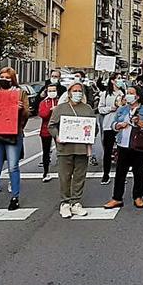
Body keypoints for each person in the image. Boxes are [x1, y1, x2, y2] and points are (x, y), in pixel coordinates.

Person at [0, 68, 31, 212]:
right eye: (2, 77)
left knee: (13, 166)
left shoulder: (20, 93)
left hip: (13, 133)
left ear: (13, 79)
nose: (4, 79)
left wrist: (20, 109)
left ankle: (14, 198)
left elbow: (28, 113)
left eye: (7, 77)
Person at [49, 83, 94, 218]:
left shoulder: (87, 109)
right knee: (65, 176)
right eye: (75, 91)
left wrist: (90, 132)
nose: (77, 93)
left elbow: (94, 127)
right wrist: (57, 135)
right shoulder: (60, 108)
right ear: (69, 93)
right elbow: (51, 125)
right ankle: (65, 203)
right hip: (65, 148)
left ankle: (76, 202)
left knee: (79, 176)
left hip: (81, 148)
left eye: (80, 91)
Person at [104, 86, 143, 209]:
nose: (128, 95)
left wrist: (140, 123)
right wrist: (118, 125)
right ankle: (117, 198)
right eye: (127, 93)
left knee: (139, 172)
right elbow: (113, 125)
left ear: (137, 96)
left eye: (131, 93)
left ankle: (137, 196)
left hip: (140, 146)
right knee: (120, 172)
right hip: (123, 145)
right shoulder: (122, 109)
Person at [97, 74, 126, 185]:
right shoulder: (105, 94)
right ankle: (106, 174)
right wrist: (110, 108)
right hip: (108, 125)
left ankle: (122, 174)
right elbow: (100, 109)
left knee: (122, 151)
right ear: (112, 81)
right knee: (108, 151)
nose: (120, 80)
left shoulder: (124, 94)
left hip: (121, 125)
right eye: (118, 78)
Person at [38, 83, 62, 182]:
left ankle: (63, 171)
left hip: (59, 128)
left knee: (61, 150)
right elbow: (42, 114)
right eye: (50, 90)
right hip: (46, 129)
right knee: (46, 151)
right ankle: (45, 171)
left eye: (54, 90)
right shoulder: (44, 102)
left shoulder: (60, 101)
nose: (52, 92)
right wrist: (50, 110)